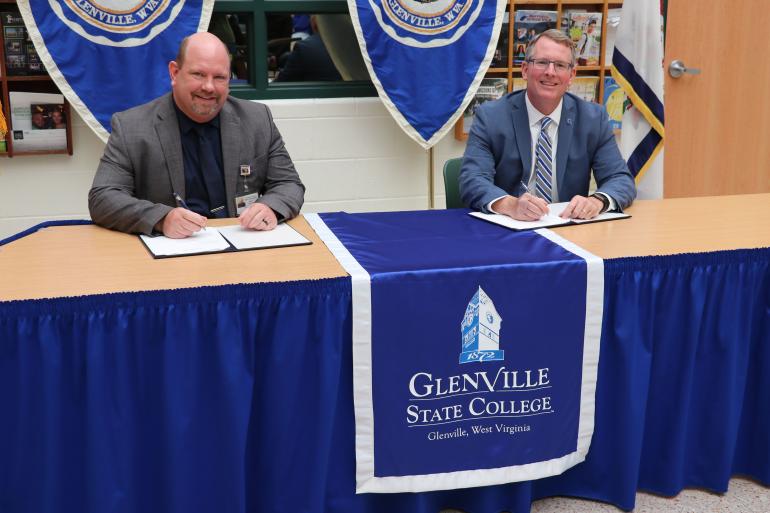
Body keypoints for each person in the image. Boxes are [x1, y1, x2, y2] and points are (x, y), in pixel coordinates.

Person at [89, 32, 305, 238]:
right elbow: (103, 197)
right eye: (198, 74)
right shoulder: (132, 127)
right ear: (174, 73)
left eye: (219, 77)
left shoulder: (257, 119)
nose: (209, 87)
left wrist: (269, 207)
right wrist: (162, 219)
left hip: (242, 245)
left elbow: (288, 184)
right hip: (172, 254)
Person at [459, 29, 635, 221]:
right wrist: (511, 205)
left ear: (571, 75)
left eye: (560, 65)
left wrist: (597, 201)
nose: (550, 72)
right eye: (542, 62)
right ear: (525, 70)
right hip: (510, 228)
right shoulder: (490, 116)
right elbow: (472, 180)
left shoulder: (593, 118)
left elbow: (620, 179)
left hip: (569, 230)